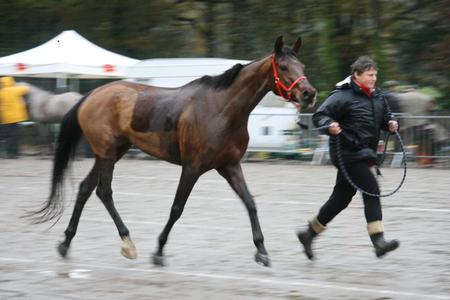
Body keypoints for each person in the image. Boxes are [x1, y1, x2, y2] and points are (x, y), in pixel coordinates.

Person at [297, 56, 400, 260]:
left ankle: (309, 234)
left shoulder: (377, 95)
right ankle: (378, 241)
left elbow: (384, 116)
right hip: (346, 152)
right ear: (357, 75)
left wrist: (390, 123)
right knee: (371, 190)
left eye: (375, 75)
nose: (374, 78)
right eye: (370, 75)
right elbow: (320, 116)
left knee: (341, 199)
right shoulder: (342, 96)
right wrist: (330, 125)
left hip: (365, 153)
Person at [0, 77, 29, 158]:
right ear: (11, 82)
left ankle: (10, 153)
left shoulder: (1, 92)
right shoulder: (15, 89)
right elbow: (26, 89)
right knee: (15, 136)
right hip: (15, 118)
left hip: (5, 118)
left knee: (8, 136)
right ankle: (14, 154)